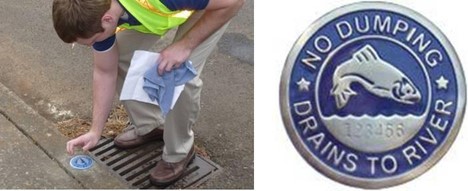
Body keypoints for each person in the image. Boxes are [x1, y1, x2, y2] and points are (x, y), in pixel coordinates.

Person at [52, 0, 244, 186]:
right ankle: (152, 125)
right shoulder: (99, 13)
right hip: (158, 7)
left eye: (92, 41)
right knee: (118, 58)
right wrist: (95, 131)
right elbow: (105, 71)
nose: (92, 45)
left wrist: (184, 45)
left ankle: (180, 151)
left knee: (180, 74)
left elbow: (233, 2)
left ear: (108, 19)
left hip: (215, 6)